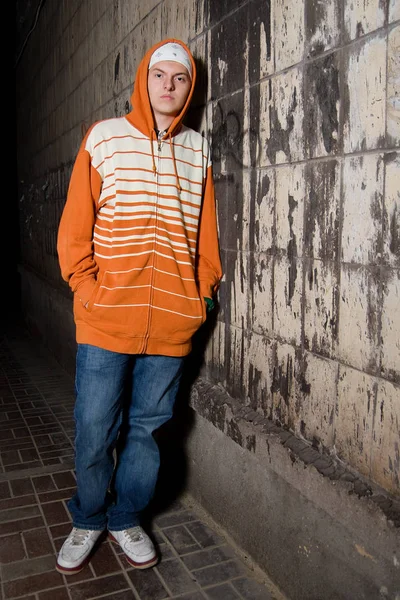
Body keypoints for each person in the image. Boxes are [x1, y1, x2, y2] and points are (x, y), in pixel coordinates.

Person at [55, 38, 222, 574]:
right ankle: (88, 518)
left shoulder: (198, 149)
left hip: (173, 324)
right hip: (105, 319)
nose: (168, 87)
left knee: (147, 431)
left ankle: (126, 517)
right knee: (94, 426)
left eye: (179, 78)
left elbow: (207, 240)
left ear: (188, 87)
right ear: (143, 80)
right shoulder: (104, 138)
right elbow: (75, 228)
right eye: (159, 76)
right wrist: (86, 289)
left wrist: (201, 297)